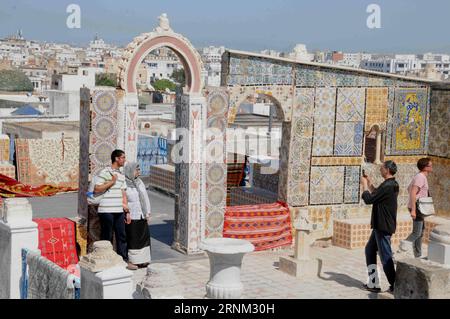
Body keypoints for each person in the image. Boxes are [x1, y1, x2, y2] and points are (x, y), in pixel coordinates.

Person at [94, 150, 137, 271]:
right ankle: (105, 262)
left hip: (118, 209)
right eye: (123, 157)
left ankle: (124, 260)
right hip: (106, 209)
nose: (124, 160)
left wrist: (127, 211)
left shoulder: (122, 175)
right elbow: (97, 189)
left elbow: (123, 193)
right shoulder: (105, 172)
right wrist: (112, 182)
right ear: (116, 159)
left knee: (122, 235)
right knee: (106, 236)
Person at [361, 161, 399, 294]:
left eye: (382, 167)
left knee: (386, 257)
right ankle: (373, 283)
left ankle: (395, 286)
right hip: (380, 225)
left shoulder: (388, 186)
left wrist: (364, 186)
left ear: (387, 170)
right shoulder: (391, 184)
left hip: (383, 226)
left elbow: (369, 200)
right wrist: (370, 184)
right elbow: (378, 194)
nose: (380, 169)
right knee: (370, 250)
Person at [402, 158, 433, 258]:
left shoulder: (420, 176)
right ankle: (401, 248)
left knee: (420, 232)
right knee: (417, 232)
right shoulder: (420, 177)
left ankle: (418, 255)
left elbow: (409, 189)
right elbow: (412, 192)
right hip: (417, 208)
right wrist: (414, 210)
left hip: (417, 207)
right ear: (425, 167)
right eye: (430, 165)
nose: (432, 167)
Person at [123, 162, 152, 268]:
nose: (139, 172)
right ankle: (134, 261)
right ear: (130, 171)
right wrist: (126, 213)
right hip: (132, 215)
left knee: (143, 238)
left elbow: (145, 198)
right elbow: (124, 200)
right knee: (133, 238)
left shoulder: (139, 182)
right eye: (137, 170)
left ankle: (144, 260)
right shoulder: (124, 184)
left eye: (139, 170)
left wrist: (147, 213)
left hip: (141, 215)